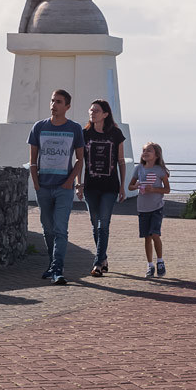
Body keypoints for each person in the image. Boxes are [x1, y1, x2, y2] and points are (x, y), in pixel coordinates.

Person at [28, 89, 85, 284]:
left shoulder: (75, 128)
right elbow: (33, 159)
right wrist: (36, 183)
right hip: (43, 186)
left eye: (59, 102)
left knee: (61, 229)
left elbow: (80, 159)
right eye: (52, 101)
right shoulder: (39, 127)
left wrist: (71, 181)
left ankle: (58, 269)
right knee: (48, 229)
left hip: (64, 188)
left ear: (67, 106)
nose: (54, 104)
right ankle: (52, 265)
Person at [81, 99, 127, 277]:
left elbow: (121, 161)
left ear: (105, 114)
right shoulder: (84, 133)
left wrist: (122, 186)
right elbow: (79, 160)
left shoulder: (116, 133)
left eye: (97, 111)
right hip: (90, 186)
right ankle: (104, 258)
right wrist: (79, 184)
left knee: (103, 225)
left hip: (110, 187)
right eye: (91, 110)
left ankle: (98, 264)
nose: (93, 113)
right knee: (95, 225)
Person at [128, 141, 171, 277]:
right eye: (144, 150)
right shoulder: (139, 168)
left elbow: (167, 189)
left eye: (149, 150)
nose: (145, 153)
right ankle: (150, 265)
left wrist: (154, 189)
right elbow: (130, 186)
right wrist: (137, 186)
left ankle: (160, 261)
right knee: (147, 237)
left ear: (157, 155)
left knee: (155, 235)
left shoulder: (160, 170)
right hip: (142, 208)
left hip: (156, 207)